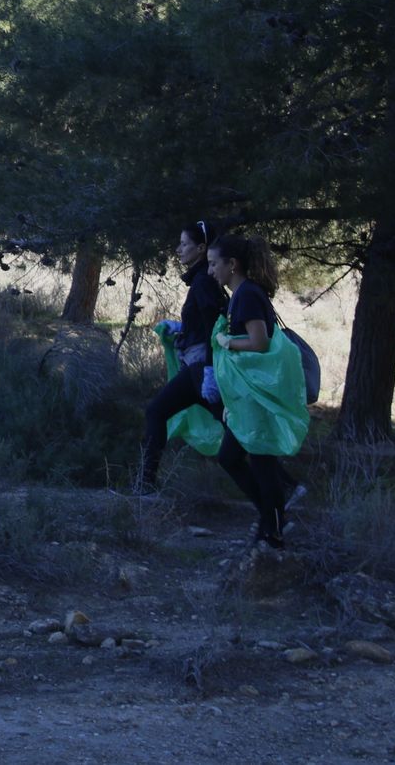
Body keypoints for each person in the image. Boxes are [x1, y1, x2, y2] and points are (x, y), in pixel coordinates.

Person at [206, 233, 301, 547]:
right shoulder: (242, 294)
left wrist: (227, 342)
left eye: (214, 264)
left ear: (232, 264)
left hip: (257, 396)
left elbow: (258, 342)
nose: (210, 271)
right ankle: (271, 522)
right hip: (249, 395)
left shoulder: (246, 295)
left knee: (257, 460)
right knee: (237, 457)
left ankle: (273, 529)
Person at [138, 220, 227, 492]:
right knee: (233, 425)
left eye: (184, 244)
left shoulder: (203, 282)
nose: (178, 249)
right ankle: (286, 486)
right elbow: (205, 322)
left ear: (201, 248)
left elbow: (214, 326)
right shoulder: (203, 280)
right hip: (199, 365)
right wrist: (181, 328)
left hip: (200, 366)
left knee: (156, 411)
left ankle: (145, 486)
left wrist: (209, 370)